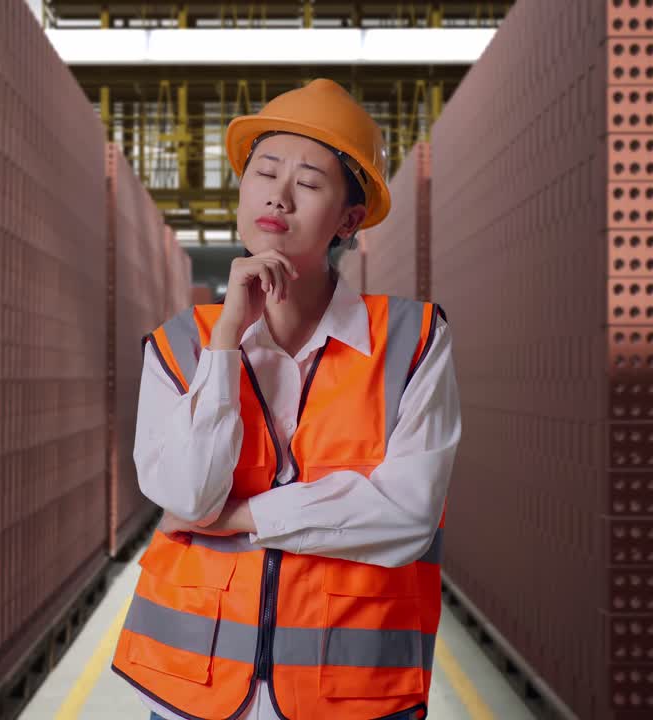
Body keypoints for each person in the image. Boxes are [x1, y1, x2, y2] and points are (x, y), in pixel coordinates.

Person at [111, 77, 461, 720]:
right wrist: (223, 347)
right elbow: (188, 497)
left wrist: (241, 519)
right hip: (190, 685)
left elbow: (407, 514)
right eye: (264, 171)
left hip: (352, 695)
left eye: (308, 181)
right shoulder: (177, 347)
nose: (278, 192)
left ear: (348, 219)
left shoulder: (412, 341)